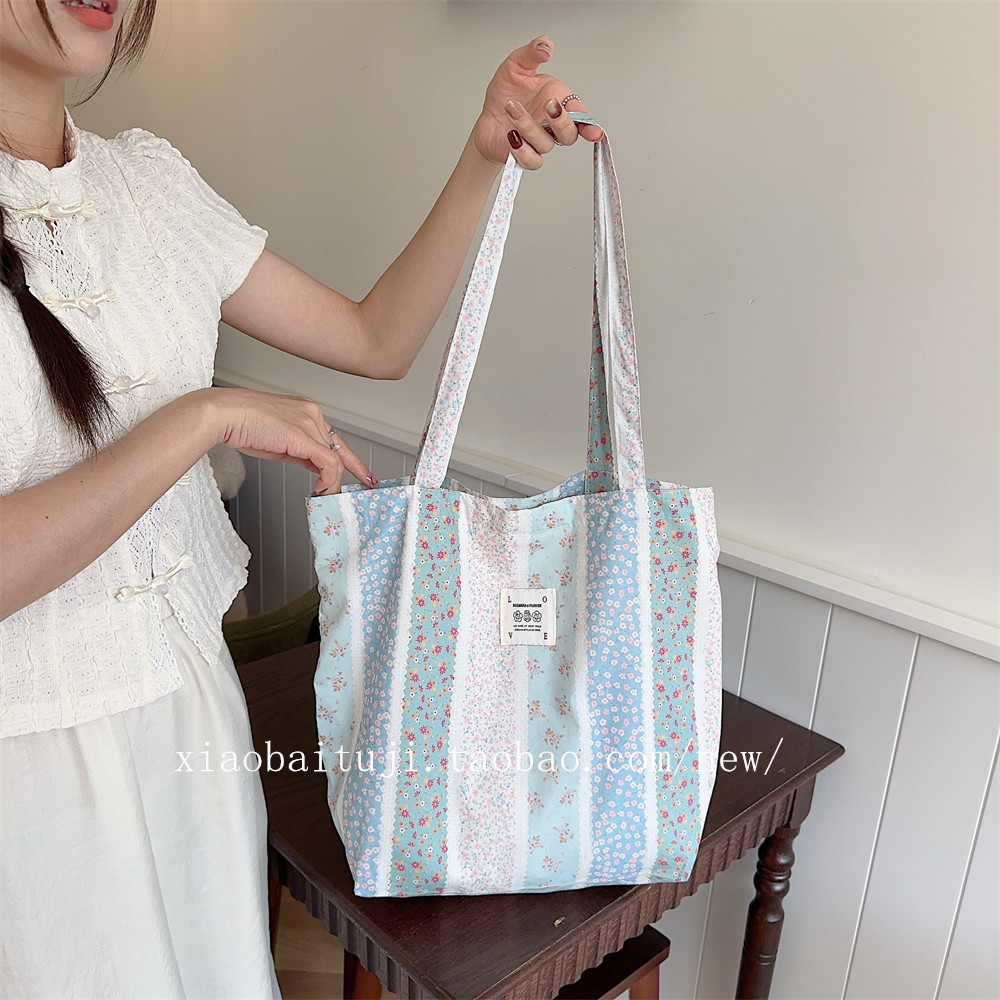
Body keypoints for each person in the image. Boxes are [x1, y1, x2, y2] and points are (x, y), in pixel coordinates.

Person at [0, 0, 601, 995]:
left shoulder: (149, 184)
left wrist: (481, 154)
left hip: (192, 719)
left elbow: (376, 339)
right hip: (26, 776)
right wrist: (203, 418)